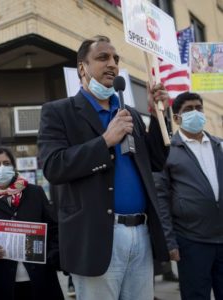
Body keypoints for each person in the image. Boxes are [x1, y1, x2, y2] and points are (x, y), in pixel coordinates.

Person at [38, 35, 170, 300]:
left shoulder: (128, 113)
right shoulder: (58, 111)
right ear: (82, 68)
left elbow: (155, 161)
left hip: (141, 235)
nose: (112, 64)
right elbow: (53, 167)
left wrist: (158, 116)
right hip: (97, 237)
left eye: (115, 59)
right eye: (102, 58)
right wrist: (105, 142)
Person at [0, 146, 64, 300]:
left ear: (13, 166)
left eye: (6, 163)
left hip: (41, 280)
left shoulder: (35, 193)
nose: (2, 167)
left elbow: (54, 228)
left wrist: (51, 256)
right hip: (0, 284)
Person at [154, 91, 223, 300]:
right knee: (195, 295)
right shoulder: (168, 151)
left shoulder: (219, 145)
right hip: (191, 241)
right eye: (188, 110)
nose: (195, 113)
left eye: (198, 108)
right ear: (176, 118)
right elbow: (161, 199)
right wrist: (170, 242)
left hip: (222, 238)